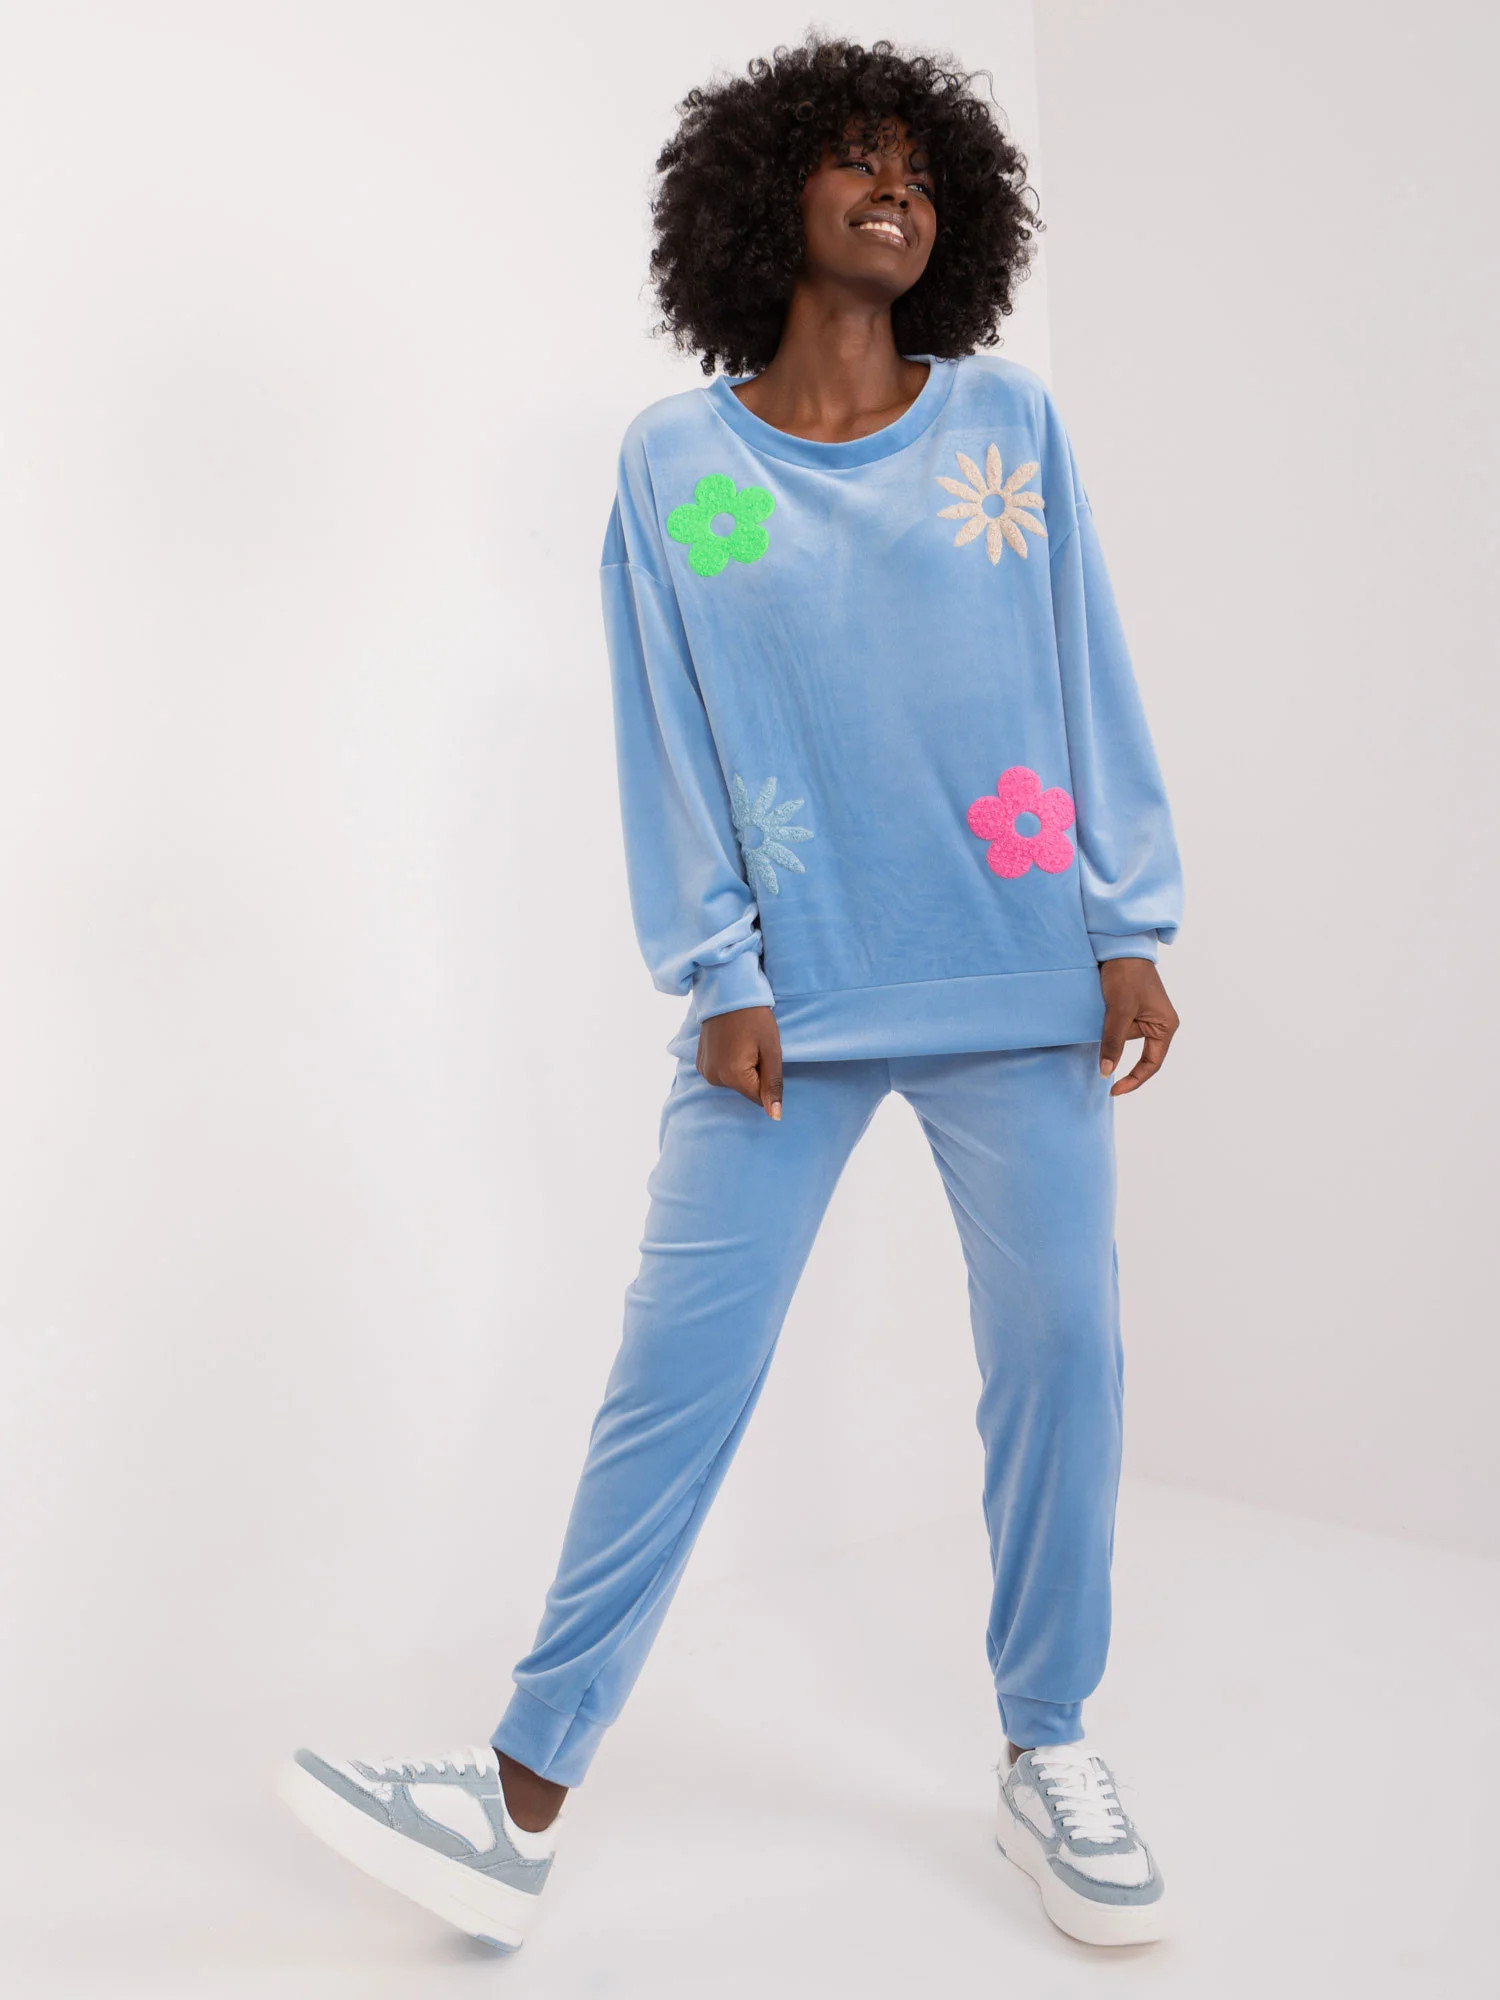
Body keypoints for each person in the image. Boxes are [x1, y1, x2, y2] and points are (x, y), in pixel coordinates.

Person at [278, 33, 1183, 1954]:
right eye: (855, 158)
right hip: (788, 1000)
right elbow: (667, 731)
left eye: (918, 168)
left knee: (1065, 1359)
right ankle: (518, 1797)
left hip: (1019, 971)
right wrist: (716, 965)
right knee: (674, 1377)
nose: (894, 187)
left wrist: (1130, 920)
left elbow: (1085, 665)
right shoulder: (676, 462)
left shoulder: (1010, 426)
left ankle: (1049, 1746)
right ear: (767, 196)